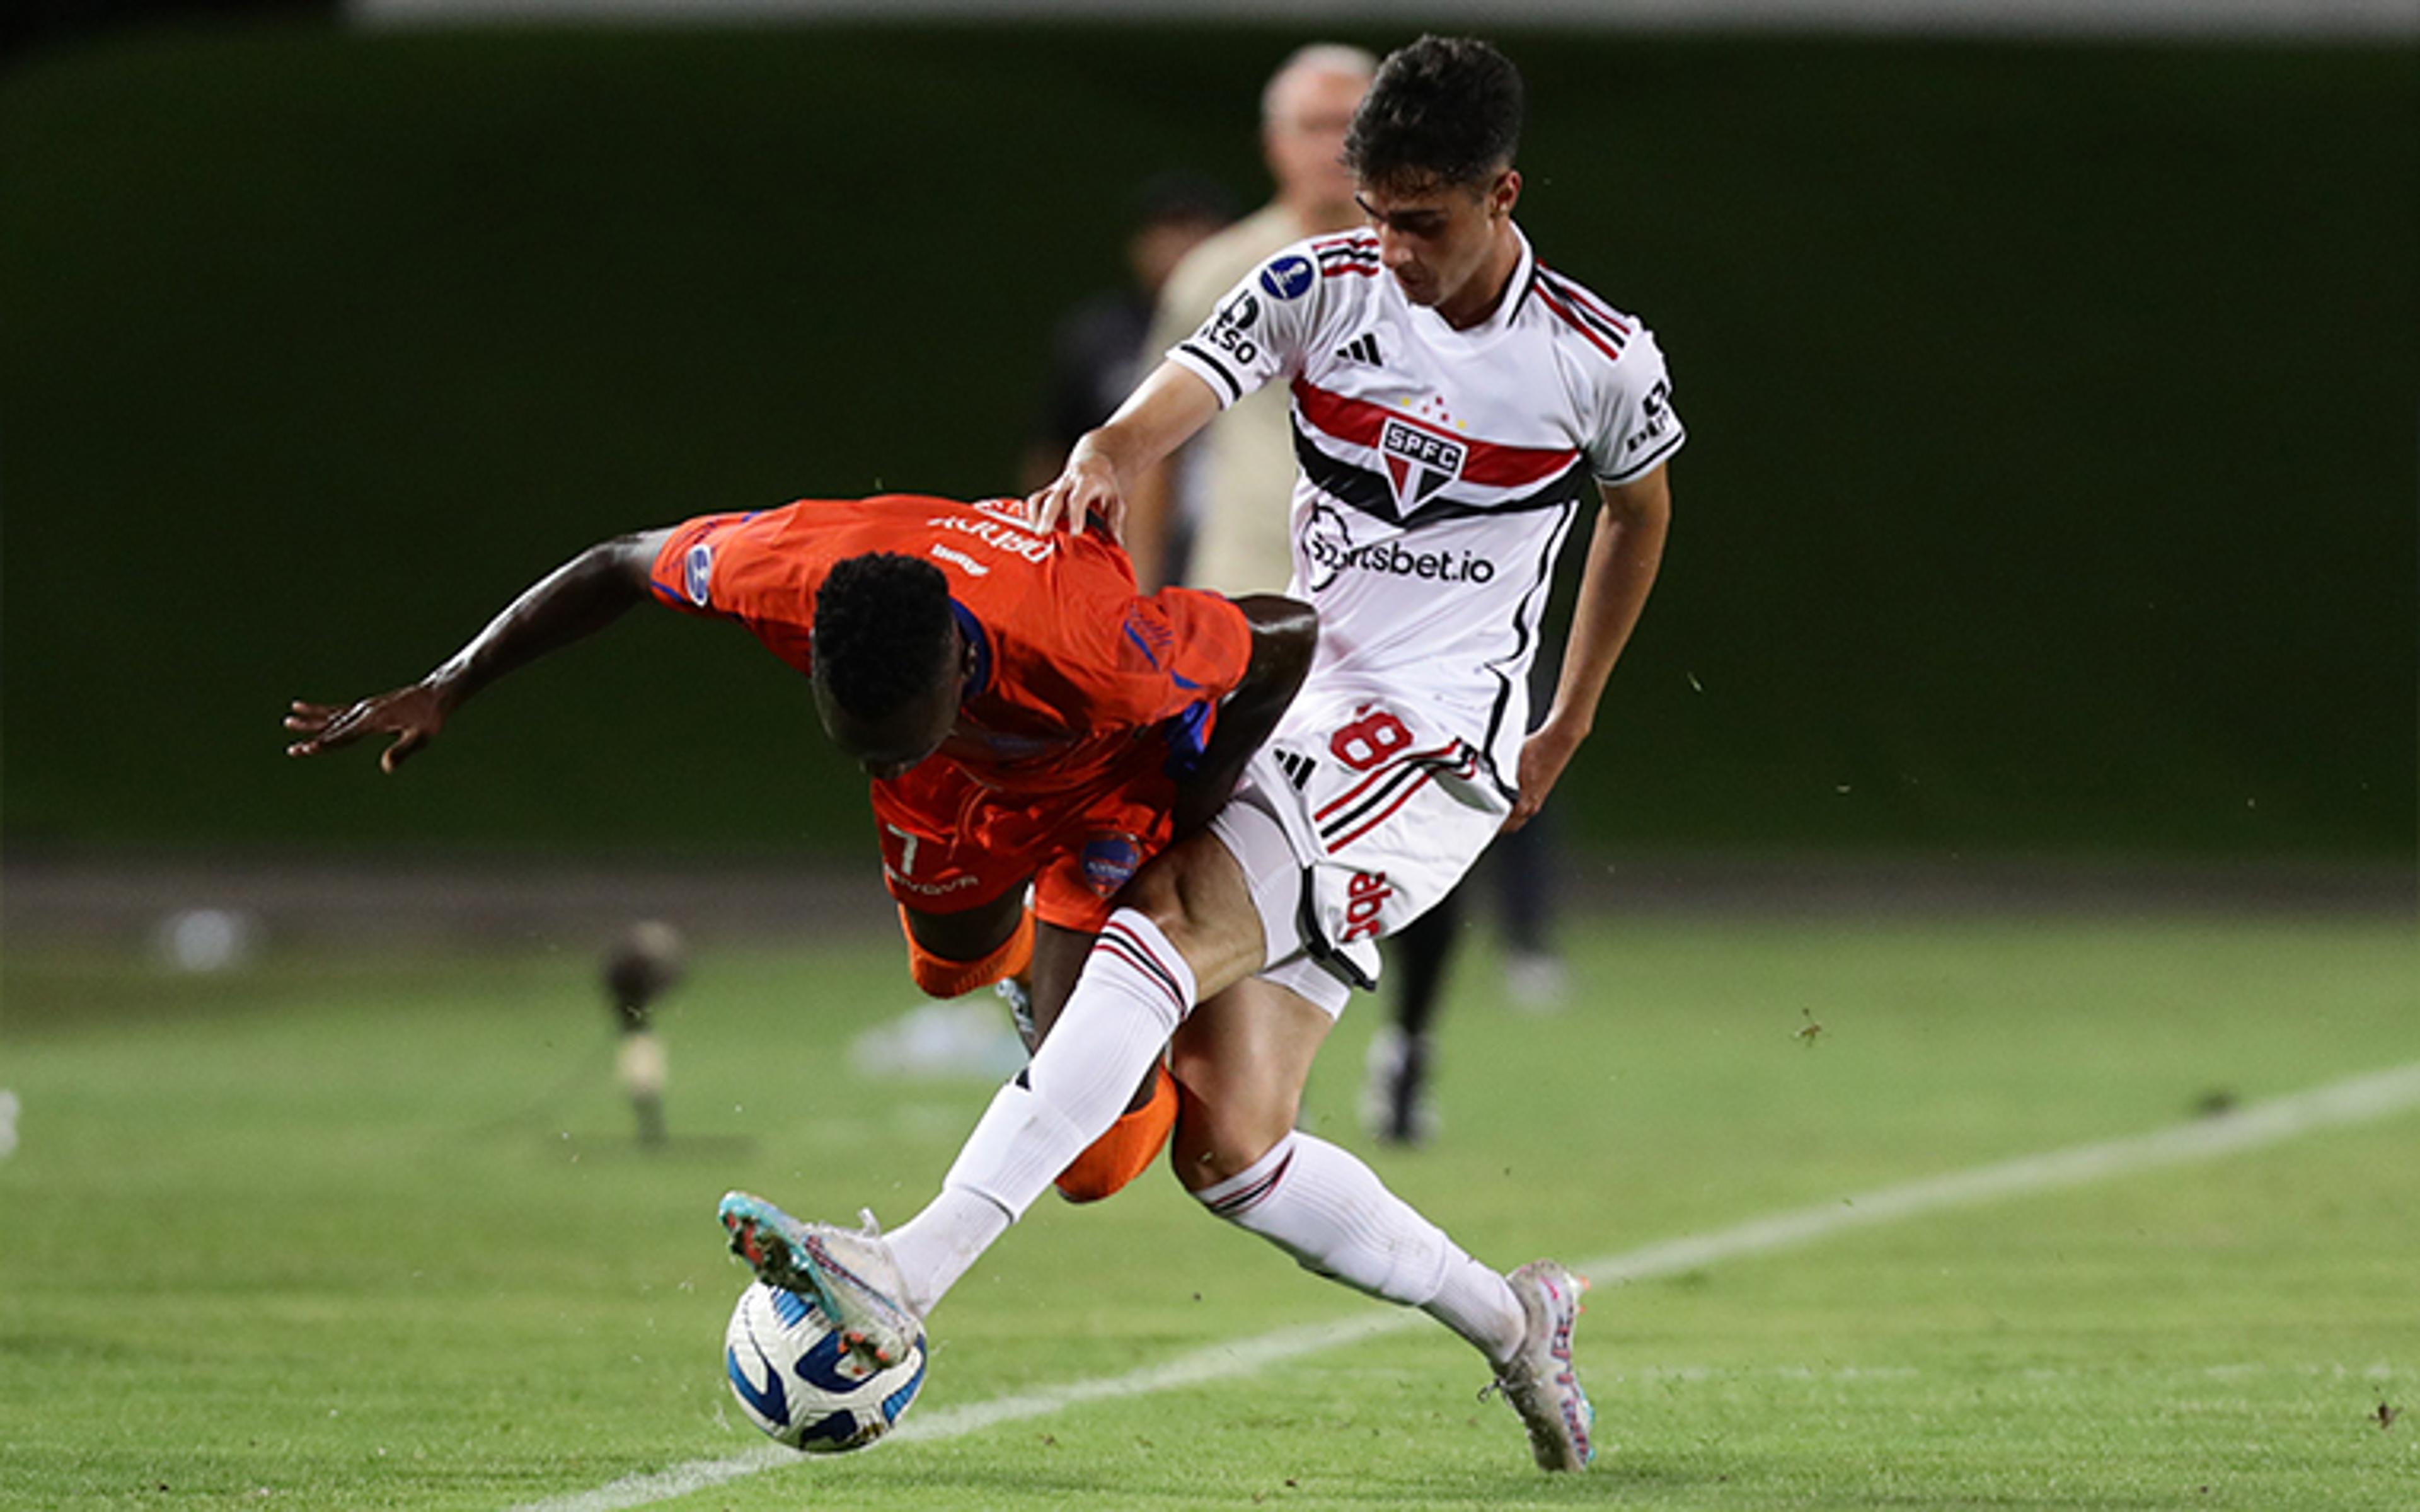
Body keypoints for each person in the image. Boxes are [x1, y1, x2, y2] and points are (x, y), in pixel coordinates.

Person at [719, 35, 1681, 1473]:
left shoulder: (1595, 359)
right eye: (1373, 212)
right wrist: (1108, 447)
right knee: (1230, 1139)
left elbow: (1636, 515)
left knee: (1155, 929)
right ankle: (1512, 1316)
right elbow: (1195, 372)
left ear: (1501, 191)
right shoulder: (1321, 281)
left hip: (1426, 738)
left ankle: (908, 1267)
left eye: (1420, 220)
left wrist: (1573, 706)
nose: (1389, 248)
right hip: (1291, 693)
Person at [284, 491, 1317, 1200]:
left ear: (960, 672)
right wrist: (450, 683)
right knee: (943, 969)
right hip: (958, 774)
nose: (866, 766)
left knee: (1091, 1166)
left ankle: (1145, 1005)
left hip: (1105, 790)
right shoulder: (783, 573)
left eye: (888, 742)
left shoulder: (1096, 654)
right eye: (855, 746)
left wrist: (1196, 803)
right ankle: (1057, 995)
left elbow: (1282, 639)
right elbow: (614, 565)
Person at [1122, 43, 1375, 596]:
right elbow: (1154, 441)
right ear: (1274, 144)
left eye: (1351, 125)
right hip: (1245, 584)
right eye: (1314, 127)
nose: (1335, 147)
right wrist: (1135, 592)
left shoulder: (1434, 270)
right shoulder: (1220, 272)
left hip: (1394, 592)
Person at [1021, 175, 1235, 496]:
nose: (1182, 247)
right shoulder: (1099, 334)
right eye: (1168, 231)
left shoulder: (1256, 327)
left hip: (1233, 525)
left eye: (1197, 231)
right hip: (1117, 522)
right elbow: (1053, 449)